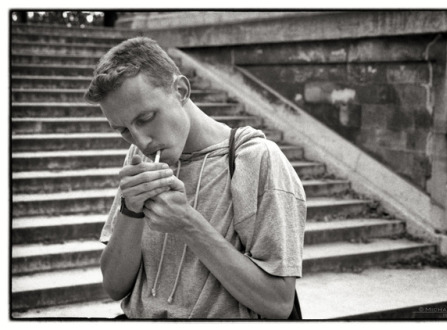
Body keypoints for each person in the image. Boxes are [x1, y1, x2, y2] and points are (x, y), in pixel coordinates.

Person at [84, 37, 306, 319]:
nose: (140, 140)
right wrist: (131, 210)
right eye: (124, 130)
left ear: (180, 90)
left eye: (146, 117)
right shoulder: (139, 157)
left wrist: (188, 223)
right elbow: (114, 287)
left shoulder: (256, 159)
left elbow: (278, 304)